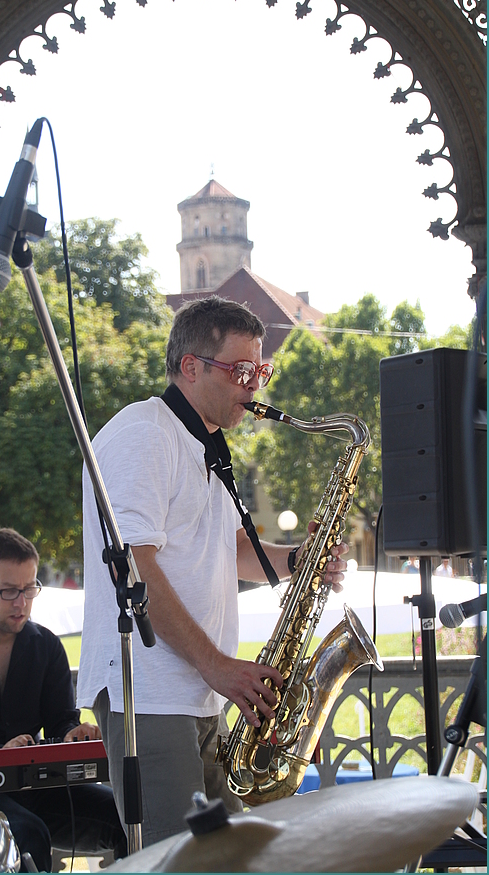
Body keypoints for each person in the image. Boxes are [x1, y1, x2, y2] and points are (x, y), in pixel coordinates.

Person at [77, 296, 348, 846]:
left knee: (232, 857)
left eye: (260, 370)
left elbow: (231, 551)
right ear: (191, 367)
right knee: (178, 859)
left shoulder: (204, 445)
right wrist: (218, 666)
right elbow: (133, 565)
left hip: (194, 693)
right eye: (241, 371)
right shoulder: (145, 432)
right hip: (148, 695)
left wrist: (301, 559)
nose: (254, 386)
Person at [0, 527, 127, 872]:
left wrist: (71, 733)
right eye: (8, 591)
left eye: (29, 588)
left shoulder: (46, 647)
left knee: (127, 817)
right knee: (25, 830)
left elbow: (62, 718)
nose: (22, 603)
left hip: (37, 786)